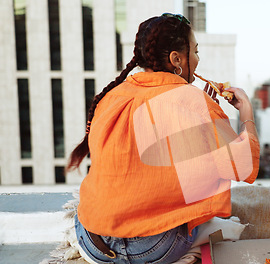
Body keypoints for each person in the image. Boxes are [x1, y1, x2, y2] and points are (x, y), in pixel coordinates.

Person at [66, 13, 259, 263]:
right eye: (196, 52)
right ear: (176, 60)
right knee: (206, 219)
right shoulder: (194, 102)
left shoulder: (112, 96)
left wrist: (203, 109)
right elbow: (244, 166)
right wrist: (246, 114)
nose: (198, 60)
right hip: (155, 248)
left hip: (95, 244)